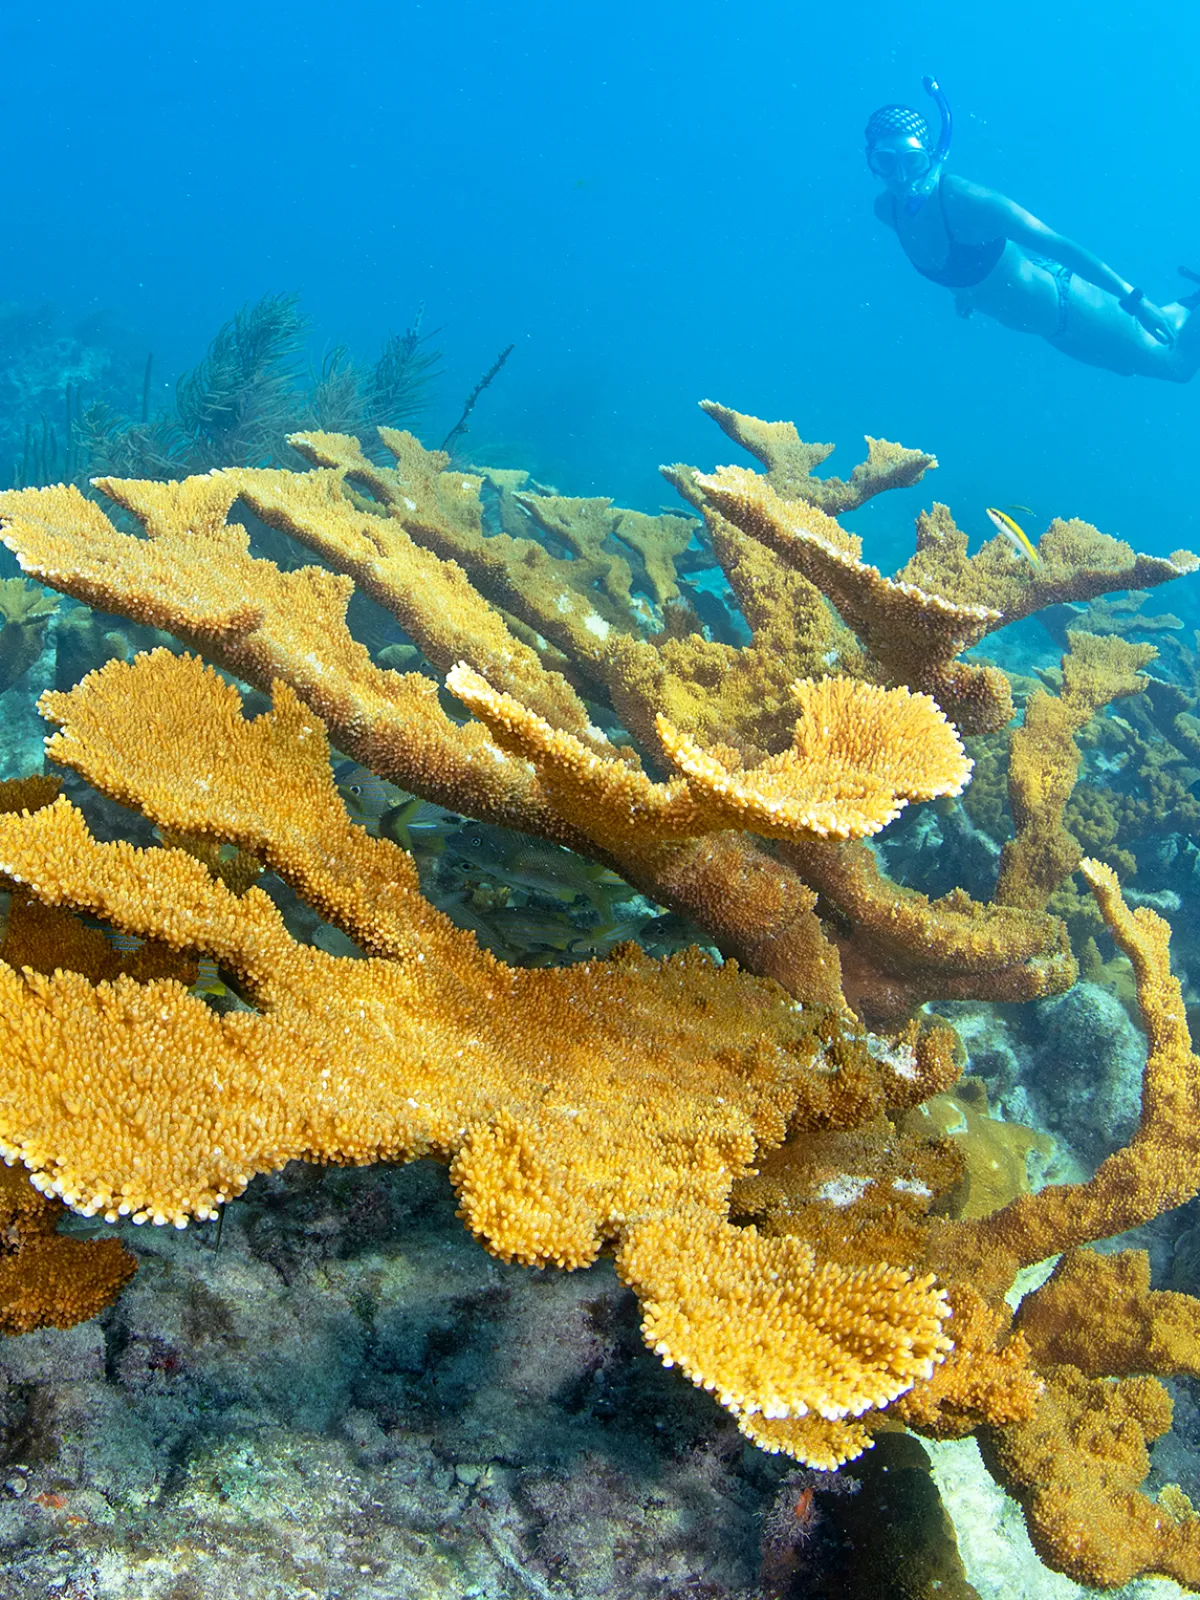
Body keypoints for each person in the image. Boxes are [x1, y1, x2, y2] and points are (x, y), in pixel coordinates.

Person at [867, 78, 1200, 382]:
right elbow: (943, 254)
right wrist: (964, 292)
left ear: (931, 156)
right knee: (1124, 366)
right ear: (871, 162)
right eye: (886, 162)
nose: (901, 176)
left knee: (1178, 368)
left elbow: (1058, 246)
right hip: (1046, 328)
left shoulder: (967, 201)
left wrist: (1137, 301)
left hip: (1072, 306)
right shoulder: (887, 211)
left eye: (912, 161)